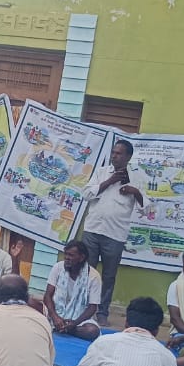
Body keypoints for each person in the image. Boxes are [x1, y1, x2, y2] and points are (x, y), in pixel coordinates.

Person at [81, 139, 144, 326]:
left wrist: (135, 191)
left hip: (115, 234)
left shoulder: (137, 177)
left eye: (119, 153)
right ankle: (82, 308)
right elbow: (86, 194)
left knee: (108, 276)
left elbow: (147, 208)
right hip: (92, 230)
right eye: (113, 152)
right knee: (86, 272)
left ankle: (102, 313)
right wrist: (109, 181)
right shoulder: (101, 172)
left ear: (128, 157)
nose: (114, 156)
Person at [42, 240, 102, 340]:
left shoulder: (94, 276)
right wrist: (55, 317)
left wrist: (74, 323)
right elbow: (48, 295)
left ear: (81, 258)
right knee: (32, 307)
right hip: (54, 314)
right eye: (65, 254)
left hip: (78, 320)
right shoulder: (58, 267)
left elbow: (92, 307)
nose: (66, 258)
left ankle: (63, 328)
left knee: (92, 331)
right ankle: (60, 326)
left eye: (71, 255)